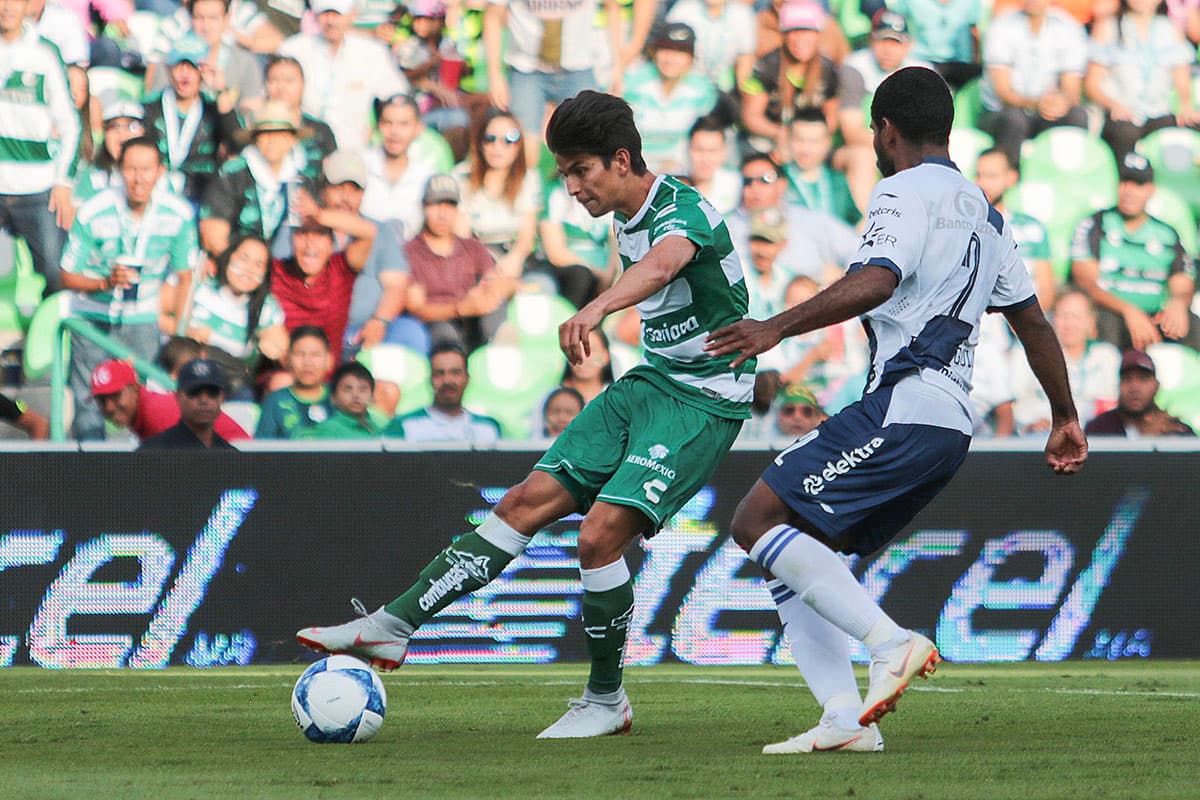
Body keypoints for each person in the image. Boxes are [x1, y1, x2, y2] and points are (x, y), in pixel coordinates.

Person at [298, 90, 756, 738]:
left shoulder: (682, 210)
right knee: (521, 501)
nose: (571, 187)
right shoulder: (623, 213)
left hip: (704, 398)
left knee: (598, 535)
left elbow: (663, 265)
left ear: (621, 160)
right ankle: (390, 627)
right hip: (653, 383)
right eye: (563, 173)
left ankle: (606, 701)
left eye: (580, 171)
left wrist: (596, 307)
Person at [703, 67, 1087, 754]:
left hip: (906, 403)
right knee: (797, 546)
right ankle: (845, 721)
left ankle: (891, 643)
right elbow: (1032, 321)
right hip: (949, 425)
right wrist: (1065, 416)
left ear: (885, 130)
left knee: (754, 519)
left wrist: (774, 328)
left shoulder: (902, 189)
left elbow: (876, 279)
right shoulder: (986, 212)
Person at [59, 137, 198, 441]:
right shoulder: (94, 210)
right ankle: (90, 465)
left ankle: (145, 466)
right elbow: (67, 276)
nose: (138, 178)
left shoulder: (178, 213)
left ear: (160, 171)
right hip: (92, 318)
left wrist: (180, 333)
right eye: (131, 169)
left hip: (143, 319)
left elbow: (186, 277)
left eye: (146, 169)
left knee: (145, 402)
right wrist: (104, 282)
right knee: (91, 402)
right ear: (119, 170)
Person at [1070, 152, 1200, 352]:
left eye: (1138, 185)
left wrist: (1178, 303)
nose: (1129, 191)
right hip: (1113, 313)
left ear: (1151, 190)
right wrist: (1129, 311)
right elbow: (1087, 282)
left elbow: (1182, 282)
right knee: (1104, 322)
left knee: (1190, 324)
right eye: (1125, 182)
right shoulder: (1094, 224)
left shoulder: (1168, 233)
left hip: (1156, 315)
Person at [0, 0, 81, 297]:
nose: (7, 7)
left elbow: (70, 124)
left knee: (55, 274)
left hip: (37, 189)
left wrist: (63, 182)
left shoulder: (45, 52)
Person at [404, 173, 512, 353]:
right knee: (443, 333)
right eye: (435, 205)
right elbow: (416, 308)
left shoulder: (472, 247)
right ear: (424, 207)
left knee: (497, 308)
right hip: (436, 326)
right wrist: (459, 308)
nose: (443, 214)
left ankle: (498, 352)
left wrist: (490, 293)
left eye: (450, 205)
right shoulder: (410, 252)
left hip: (475, 323)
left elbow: (497, 281)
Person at [279, 0, 409, 149]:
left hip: (353, 150)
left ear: (352, 14)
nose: (330, 21)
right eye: (325, 14)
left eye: (337, 14)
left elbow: (398, 98)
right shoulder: (292, 50)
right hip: (304, 149)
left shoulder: (372, 52)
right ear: (315, 15)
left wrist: (378, 133)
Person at [1085, 0, 1200, 163]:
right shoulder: (1108, 27)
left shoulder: (1171, 28)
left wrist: (1186, 106)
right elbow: (1092, 85)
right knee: (1125, 132)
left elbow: (1182, 79)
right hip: (1120, 115)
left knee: (1186, 129)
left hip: (1158, 112)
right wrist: (1114, 106)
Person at [978, 0, 1089, 165]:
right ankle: (1011, 173)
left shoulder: (1069, 27)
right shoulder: (1001, 26)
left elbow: (1072, 87)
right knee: (1013, 120)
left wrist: (1061, 102)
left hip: (1046, 110)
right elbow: (1003, 92)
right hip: (1003, 110)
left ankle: (1066, 174)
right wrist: (1036, 103)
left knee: (1076, 115)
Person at [142, 33, 241, 207]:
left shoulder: (212, 109)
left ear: (203, 72)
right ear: (168, 68)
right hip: (155, 196)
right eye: (179, 66)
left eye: (193, 67)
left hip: (201, 197)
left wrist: (221, 91)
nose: (185, 74)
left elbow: (237, 145)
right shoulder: (149, 108)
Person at [200, 101, 308, 259]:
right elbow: (213, 234)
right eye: (266, 134)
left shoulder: (302, 179)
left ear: (292, 140)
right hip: (234, 262)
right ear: (255, 138)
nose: (272, 141)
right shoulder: (232, 174)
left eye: (280, 134)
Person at [269, 211, 374, 365]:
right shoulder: (276, 272)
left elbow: (369, 232)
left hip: (328, 373)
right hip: (283, 370)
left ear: (331, 244)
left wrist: (317, 214)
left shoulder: (341, 269)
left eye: (320, 234)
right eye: (302, 233)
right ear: (292, 240)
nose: (310, 243)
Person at [1011, 289, 1121, 433]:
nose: (1069, 324)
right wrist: (1030, 422)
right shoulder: (1027, 352)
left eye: (1076, 317)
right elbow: (1016, 403)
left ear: (1091, 321)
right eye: (1063, 316)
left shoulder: (1107, 356)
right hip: (1041, 435)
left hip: (1096, 434)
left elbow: (1112, 403)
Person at [740, 1, 839, 154]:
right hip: (770, 141)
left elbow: (831, 118)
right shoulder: (766, 67)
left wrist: (812, 138)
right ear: (783, 35)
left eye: (808, 32)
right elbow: (751, 117)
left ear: (818, 35)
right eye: (794, 32)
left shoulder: (828, 70)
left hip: (813, 142)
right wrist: (780, 133)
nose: (801, 39)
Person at [185, 235, 289, 379]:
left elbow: (282, 350)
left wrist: (270, 345)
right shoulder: (202, 287)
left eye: (258, 265)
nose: (249, 269)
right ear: (229, 257)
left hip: (232, 379)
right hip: (190, 369)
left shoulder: (266, 307)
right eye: (243, 259)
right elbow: (161, 314)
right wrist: (187, 331)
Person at [622, 21, 720, 175]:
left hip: (680, 166)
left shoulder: (703, 90)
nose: (671, 58)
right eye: (666, 49)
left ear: (691, 57)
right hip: (632, 165)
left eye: (680, 51)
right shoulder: (630, 81)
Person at [90, 357, 250, 442]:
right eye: (102, 400)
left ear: (135, 388)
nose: (109, 407)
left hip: (243, 468)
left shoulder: (155, 413)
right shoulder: (143, 413)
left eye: (115, 396)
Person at [973, 148, 1056, 309]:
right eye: (978, 175)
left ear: (1011, 178)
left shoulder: (1032, 228)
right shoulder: (963, 226)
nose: (982, 184)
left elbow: (1046, 291)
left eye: (991, 176)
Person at [383, 342, 502, 442]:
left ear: (467, 379)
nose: (447, 381)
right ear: (430, 379)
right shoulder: (404, 425)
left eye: (455, 373)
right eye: (439, 374)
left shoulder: (488, 427)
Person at [1085, 348, 1196, 436]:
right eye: (1127, 379)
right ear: (1118, 385)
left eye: (1143, 379)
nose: (1134, 387)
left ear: (1156, 386)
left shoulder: (1176, 430)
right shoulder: (1098, 429)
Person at [781, 108, 861, 227]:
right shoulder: (778, 179)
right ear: (788, 140)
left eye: (814, 141)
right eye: (799, 140)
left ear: (827, 142)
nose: (806, 149)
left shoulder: (838, 181)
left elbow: (855, 222)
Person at [138, 357, 238, 449]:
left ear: (222, 398)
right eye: (194, 392)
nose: (204, 400)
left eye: (212, 392)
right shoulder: (152, 452)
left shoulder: (233, 456)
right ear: (178, 397)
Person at [263, 56, 338, 177]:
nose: (281, 88)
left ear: (302, 84)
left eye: (289, 81)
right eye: (274, 80)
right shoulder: (253, 129)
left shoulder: (320, 131)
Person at [74, 99, 146, 206]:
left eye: (131, 126)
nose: (122, 133)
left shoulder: (158, 175)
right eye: (114, 126)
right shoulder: (91, 174)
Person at [296, 361, 381, 438]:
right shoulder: (326, 431)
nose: (356, 395)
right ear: (333, 397)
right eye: (348, 389)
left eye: (363, 389)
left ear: (372, 396)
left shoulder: (379, 428)